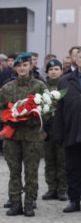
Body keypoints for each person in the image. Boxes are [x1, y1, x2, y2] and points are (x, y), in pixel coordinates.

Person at [0, 53, 47, 217]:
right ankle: (16, 202)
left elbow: (48, 109)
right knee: (14, 171)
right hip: (12, 136)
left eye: (25, 65)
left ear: (30, 66)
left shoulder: (40, 87)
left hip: (32, 136)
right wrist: (9, 119)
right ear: (15, 68)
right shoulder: (7, 87)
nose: (22, 69)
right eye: (19, 66)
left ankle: (29, 203)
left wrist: (32, 119)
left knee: (32, 172)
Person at [51, 58, 81, 213]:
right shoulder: (65, 81)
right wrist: (58, 133)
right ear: (77, 60)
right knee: (72, 168)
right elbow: (59, 109)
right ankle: (74, 200)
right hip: (72, 131)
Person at [41, 59, 68, 202]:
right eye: (50, 70)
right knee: (49, 159)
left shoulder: (66, 85)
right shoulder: (42, 87)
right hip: (47, 129)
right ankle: (51, 188)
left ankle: (63, 188)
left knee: (62, 159)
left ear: (61, 71)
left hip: (62, 129)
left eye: (56, 69)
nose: (53, 72)